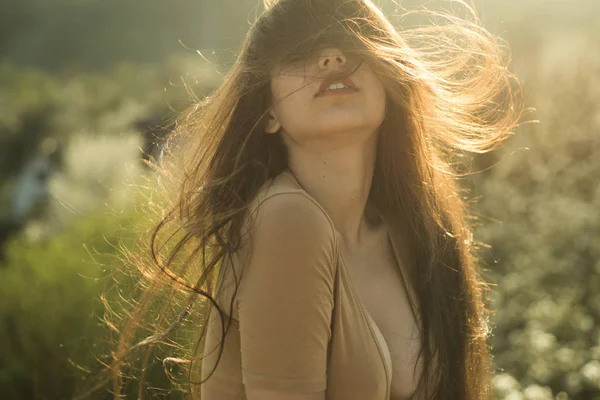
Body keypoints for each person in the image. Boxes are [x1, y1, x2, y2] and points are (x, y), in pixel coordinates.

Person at [94, 0, 525, 399]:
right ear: (268, 113)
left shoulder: (411, 228)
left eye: (352, 42)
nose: (331, 58)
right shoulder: (288, 220)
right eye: (301, 51)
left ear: (390, 78)